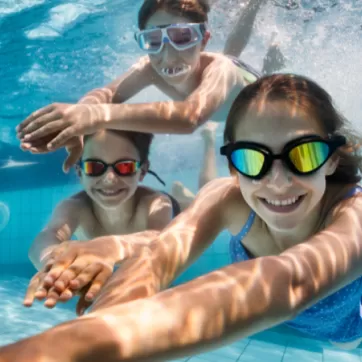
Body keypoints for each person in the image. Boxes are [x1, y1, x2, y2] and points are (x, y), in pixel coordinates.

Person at [2, 74, 362, 361]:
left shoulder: (353, 213)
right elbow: (158, 259)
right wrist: (97, 330)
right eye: (253, 159)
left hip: (350, 332)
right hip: (288, 323)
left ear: (331, 157)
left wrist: (67, 351)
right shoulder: (226, 197)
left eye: (303, 154)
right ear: (233, 166)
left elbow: (289, 281)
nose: (279, 180)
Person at [16, 0, 285, 172]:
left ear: (203, 40)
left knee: (249, 65)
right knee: (231, 50)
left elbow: (190, 116)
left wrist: (96, 117)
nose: (168, 55)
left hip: (256, 95)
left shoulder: (220, 70)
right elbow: (108, 93)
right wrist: (82, 114)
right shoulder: (149, 68)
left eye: (183, 37)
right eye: (153, 40)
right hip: (226, 105)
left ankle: (260, 16)